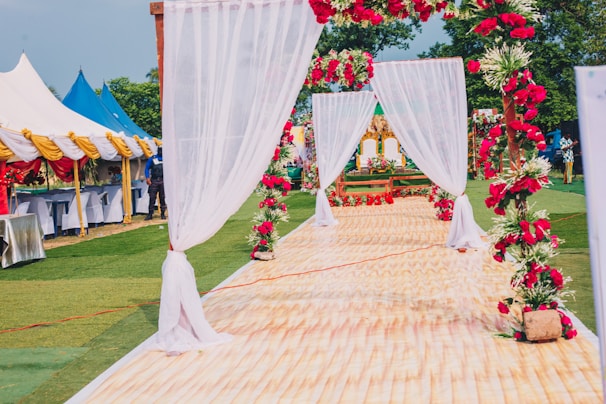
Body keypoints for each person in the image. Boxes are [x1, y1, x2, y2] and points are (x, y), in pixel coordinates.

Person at [144, 146, 166, 220]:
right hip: (154, 180)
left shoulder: (166, 158)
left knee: (162, 197)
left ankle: (163, 213)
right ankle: (150, 214)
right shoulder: (153, 158)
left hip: (163, 180)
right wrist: (147, 178)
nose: (161, 151)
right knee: (152, 197)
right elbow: (147, 168)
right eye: (160, 150)